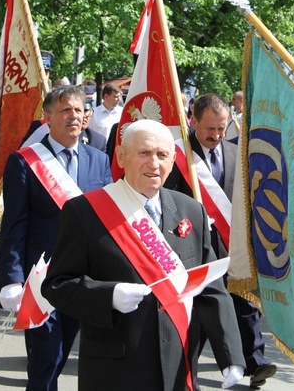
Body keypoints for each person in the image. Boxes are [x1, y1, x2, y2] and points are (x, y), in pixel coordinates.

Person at [42, 119, 245, 390]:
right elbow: (57, 285)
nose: (154, 163)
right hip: (116, 369)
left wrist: (230, 355)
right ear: (121, 157)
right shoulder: (85, 211)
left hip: (178, 364)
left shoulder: (191, 211)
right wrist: (108, 296)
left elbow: (210, 287)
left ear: (173, 161)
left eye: (162, 155)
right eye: (144, 153)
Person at [0, 86, 112, 391]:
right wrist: (10, 277)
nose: (73, 116)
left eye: (79, 110)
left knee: (61, 351)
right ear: (47, 119)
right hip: (40, 276)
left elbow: (108, 220)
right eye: (65, 110)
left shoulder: (99, 160)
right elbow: (13, 226)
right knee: (47, 352)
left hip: (81, 275)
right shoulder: (24, 162)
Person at [165, 93, 277, 388]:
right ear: (193, 122)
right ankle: (185, 373)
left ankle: (256, 363)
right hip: (192, 248)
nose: (216, 135)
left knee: (244, 302)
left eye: (222, 128)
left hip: (232, 244)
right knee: (199, 314)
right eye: (210, 129)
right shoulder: (178, 155)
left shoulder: (235, 153)